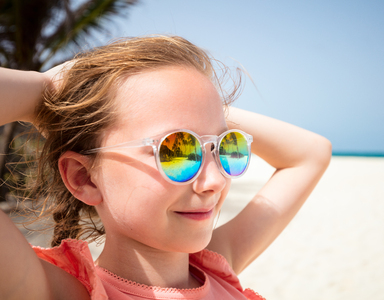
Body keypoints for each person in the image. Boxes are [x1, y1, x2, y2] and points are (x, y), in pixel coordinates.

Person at [0, 35, 331, 300]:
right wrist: (46, 89)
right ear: (83, 176)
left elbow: (311, 152)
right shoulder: (60, 293)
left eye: (224, 147)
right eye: (177, 149)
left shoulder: (216, 267)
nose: (214, 181)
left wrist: (196, 104)